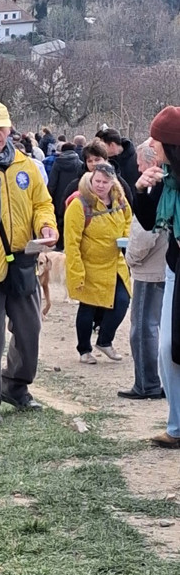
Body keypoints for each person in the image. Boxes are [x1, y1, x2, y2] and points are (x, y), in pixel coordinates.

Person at [0, 102, 58, 423]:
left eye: (1, 127)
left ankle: (15, 386)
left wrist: (47, 226)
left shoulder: (27, 166)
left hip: (22, 260)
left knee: (30, 329)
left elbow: (42, 203)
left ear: (10, 126)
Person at [132, 106, 180, 447]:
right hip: (176, 269)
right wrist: (141, 188)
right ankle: (177, 427)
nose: (152, 145)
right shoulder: (164, 179)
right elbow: (150, 222)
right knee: (167, 348)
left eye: (158, 140)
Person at [64, 164, 132, 364]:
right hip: (90, 265)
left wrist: (125, 237)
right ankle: (84, 349)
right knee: (89, 307)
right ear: (91, 180)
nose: (100, 186)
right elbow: (72, 241)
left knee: (122, 300)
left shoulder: (119, 199)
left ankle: (105, 340)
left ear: (112, 182)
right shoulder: (80, 204)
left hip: (115, 262)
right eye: (97, 181)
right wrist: (77, 271)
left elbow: (128, 219)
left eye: (105, 182)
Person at [118, 142, 166, 399]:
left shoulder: (154, 188)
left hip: (150, 268)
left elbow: (147, 232)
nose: (136, 168)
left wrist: (131, 258)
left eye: (139, 163)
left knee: (142, 326)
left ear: (152, 161)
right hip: (163, 266)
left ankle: (146, 383)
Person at [62, 139, 133, 206]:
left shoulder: (118, 182)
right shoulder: (76, 185)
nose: (94, 164)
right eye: (89, 161)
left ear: (105, 160)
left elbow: (128, 206)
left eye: (97, 159)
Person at [47, 141, 83, 249]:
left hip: (59, 195)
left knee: (60, 219)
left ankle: (59, 243)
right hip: (74, 194)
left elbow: (52, 182)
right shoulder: (79, 163)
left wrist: (50, 196)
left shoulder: (57, 163)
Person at [95, 127, 139, 192]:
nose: (100, 149)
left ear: (112, 145)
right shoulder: (104, 162)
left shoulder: (137, 160)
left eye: (102, 146)